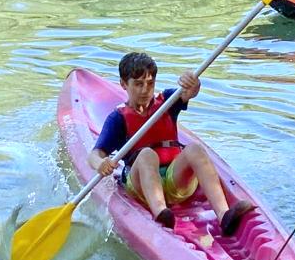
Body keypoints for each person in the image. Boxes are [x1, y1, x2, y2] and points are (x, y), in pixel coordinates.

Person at [90, 52, 254, 233]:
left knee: (195, 150)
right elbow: (95, 154)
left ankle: (224, 215)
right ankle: (160, 213)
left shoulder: (168, 100)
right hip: (142, 187)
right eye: (138, 84)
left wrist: (193, 84)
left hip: (174, 180)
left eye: (149, 83)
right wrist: (101, 164)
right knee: (146, 154)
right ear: (123, 84)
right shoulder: (117, 119)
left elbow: (188, 92)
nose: (145, 90)